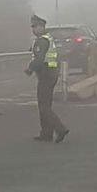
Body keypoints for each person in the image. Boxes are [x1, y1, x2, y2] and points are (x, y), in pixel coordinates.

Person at [25, 15, 69, 143]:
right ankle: (46, 133)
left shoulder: (42, 41)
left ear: (41, 27)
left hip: (45, 74)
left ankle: (60, 129)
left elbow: (39, 59)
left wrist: (30, 69)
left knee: (44, 106)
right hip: (51, 73)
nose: (33, 29)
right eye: (32, 27)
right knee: (46, 105)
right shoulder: (47, 38)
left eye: (35, 27)